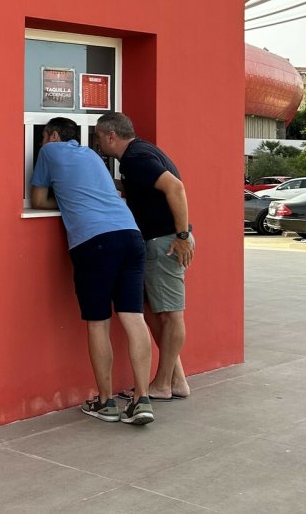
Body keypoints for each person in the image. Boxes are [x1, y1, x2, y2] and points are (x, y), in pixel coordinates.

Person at [30, 117, 155, 425]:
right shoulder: (91, 154)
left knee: (98, 323)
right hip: (130, 234)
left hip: (94, 241)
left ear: (54, 135)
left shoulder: (50, 151)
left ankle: (106, 402)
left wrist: (65, 199)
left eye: (43, 137)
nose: (41, 143)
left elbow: (37, 199)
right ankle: (142, 399)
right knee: (133, 316)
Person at [94, 112, 194, 401]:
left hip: (166, 242)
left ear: (111, 135)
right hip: (157, 241)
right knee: (153, 313)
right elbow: (143, 188)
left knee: (171, 314)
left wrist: (182, 235)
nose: (98, 143)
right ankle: (177, 380)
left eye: (99, 137)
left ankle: (163, 384)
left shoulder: (136, 157)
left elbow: (175, 187)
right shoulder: (138, 156)